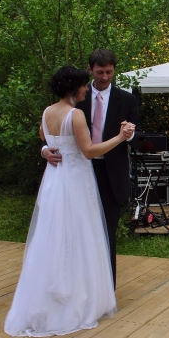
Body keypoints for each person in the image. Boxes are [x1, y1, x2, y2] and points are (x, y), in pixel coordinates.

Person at [5, 66, 135, 336]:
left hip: (53, 181)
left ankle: (53, 294)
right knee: (79, 236)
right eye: (84, 85)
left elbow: (44, 137)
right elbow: (88, 151)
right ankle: (76, 297)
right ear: (74, 88)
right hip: (75, 181)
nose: (87, 89)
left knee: (53, 236)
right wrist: (119, 138)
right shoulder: (75, 114)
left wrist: (45, 150)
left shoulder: (47, 112)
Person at [42, 49, 144, 287]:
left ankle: (106, 289)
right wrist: (45, 149)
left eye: (109, 72)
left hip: (111, 174)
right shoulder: (77, 96)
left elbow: (140, 137)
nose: (105, 77)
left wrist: (129, 135)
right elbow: (53, 132)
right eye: (100, 72)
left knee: (107, 233)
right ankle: (78, 286)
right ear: (90, 70)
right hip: (77, 172)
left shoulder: (126, 99)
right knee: (75, 231)